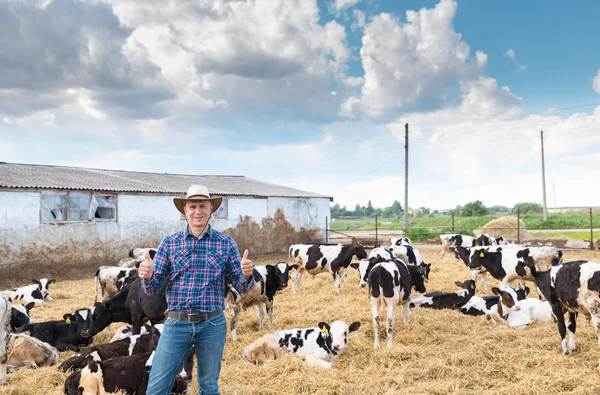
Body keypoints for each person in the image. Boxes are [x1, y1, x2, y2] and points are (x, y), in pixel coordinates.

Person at [139, 184, 254, 395]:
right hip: (176, 323)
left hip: (212, 324)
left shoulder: (225, 243)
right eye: (193, 206)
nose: (198, 211)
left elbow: (241, 287)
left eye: (202, 206)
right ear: (185, 209)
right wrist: (147, 277)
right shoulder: (170, 243)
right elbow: (153, 289)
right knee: (156, 388)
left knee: (209, 387)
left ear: (211, 208)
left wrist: (246, 275)